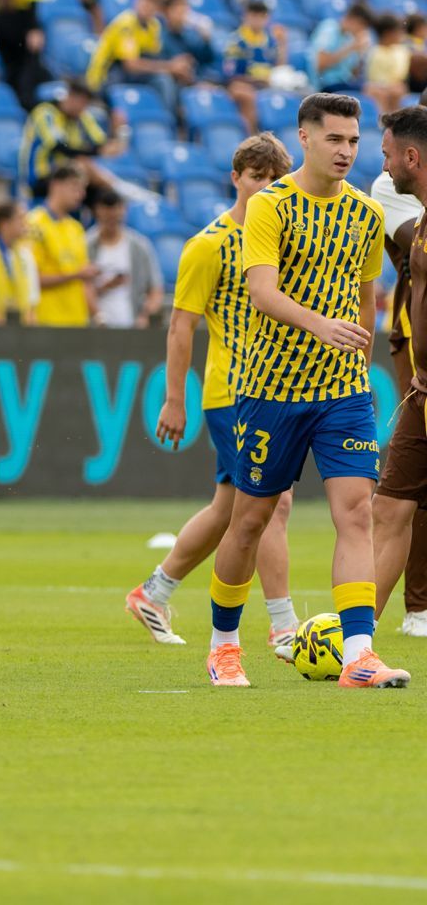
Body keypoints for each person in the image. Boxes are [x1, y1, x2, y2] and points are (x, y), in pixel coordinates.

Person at [201, 92, 407, 688]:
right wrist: (322, 325)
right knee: (249, 521)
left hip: (343, 393)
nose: (345, 151)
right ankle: (224, 645)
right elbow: (262, 292)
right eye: (334, 139)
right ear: (306, 138)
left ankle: (359, 656)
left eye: (354, 141)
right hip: (272, 389)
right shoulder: (271, 206)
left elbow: (365, 298)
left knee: (357, 514)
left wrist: (360, 359)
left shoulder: (366, 214)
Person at [140, 133, 299, 650]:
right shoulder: (209, 245)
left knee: (230, 508)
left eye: (275, 179)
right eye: (256, 177)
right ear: (236, 178)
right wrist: (174, 399)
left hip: (277, 387)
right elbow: (180, 326)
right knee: (273, 502)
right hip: (233, 392)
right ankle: (283, 627)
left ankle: (153, 593)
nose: (265, 186)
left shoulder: (284, 240)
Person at [372, 107, 427, 623]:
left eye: (388, 155)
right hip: (421, 388)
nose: (383, 166)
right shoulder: (421, 219)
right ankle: (355, 638)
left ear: (412, 156)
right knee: (389, 506)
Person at [87, 0, 184, 111]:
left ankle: (162, 117)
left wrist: (176, 65)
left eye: (152, 5)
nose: (147, 7)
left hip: (132, 73)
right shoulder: (126, 24)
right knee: (163, 79)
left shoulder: (154, 25)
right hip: (107, 74)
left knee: (170, 79)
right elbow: (130, 65)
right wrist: (170, 67)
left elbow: (152, 56)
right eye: (145, 3)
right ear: (137, 3)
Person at [27, 166, 97, 327]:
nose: (81, 194)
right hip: (46, 321)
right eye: (75, 186)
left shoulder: (76, 228)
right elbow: (31, 279)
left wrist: (97, 314)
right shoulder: (34, 225)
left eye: (83, 189)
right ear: (55, 185)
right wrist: (75, 275)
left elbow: (84, 280)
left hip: (77, 322)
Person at [19, 80, 111, 200]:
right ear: (71, 97)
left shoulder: (81, 116)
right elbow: (59, 146)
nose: (83, 109)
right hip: (40, 177)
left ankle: (116, 192)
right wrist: (94, 151)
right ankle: (120, 189)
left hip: (68, 173)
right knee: (82, 166)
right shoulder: (45, 113)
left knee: (98, 190)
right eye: (82, 103)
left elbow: (101, 142)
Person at [86, 189, 163, 329]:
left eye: (116, 218)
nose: (112, 222)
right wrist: (106, 287)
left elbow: (155, 289)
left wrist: (145, 316)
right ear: (97, 212)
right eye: (107, 218)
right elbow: (79, 289)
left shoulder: (140, 246)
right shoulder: (86, 245)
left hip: (132, 325)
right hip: (94, 328)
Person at [223, 0, 288, 131]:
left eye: (261, 16)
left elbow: (279, 67)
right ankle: (252, 136)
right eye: (254, 15)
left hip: (266, 85)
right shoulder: (236, 41)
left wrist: (283, 44)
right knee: (246, 95)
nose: (258, 20)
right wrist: (258, 80)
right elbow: (232, 76)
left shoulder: (270, 41)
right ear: (246, 16)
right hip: (243, 84)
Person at [309, 0, 373, 93]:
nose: (362, 31)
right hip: (326, 86)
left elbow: (353, 75)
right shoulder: (329, 28)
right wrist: (351, 47)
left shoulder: (349, 37)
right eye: (363, 26)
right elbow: (321, 64)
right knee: (374, 92)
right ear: (356, 21)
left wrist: (360, 54)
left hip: (343, 84)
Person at [366, 14, 412, 114]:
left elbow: (400, 75)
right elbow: (372, 76)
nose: (402, 34)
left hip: (395, 86)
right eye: (398, 32)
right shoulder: (373, 51)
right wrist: (384, 87)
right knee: (376, 92)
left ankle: (396, 120)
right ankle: (381, 120)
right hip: (376, 87)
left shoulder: (402, 51)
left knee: (398, 90)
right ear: (388, 33)